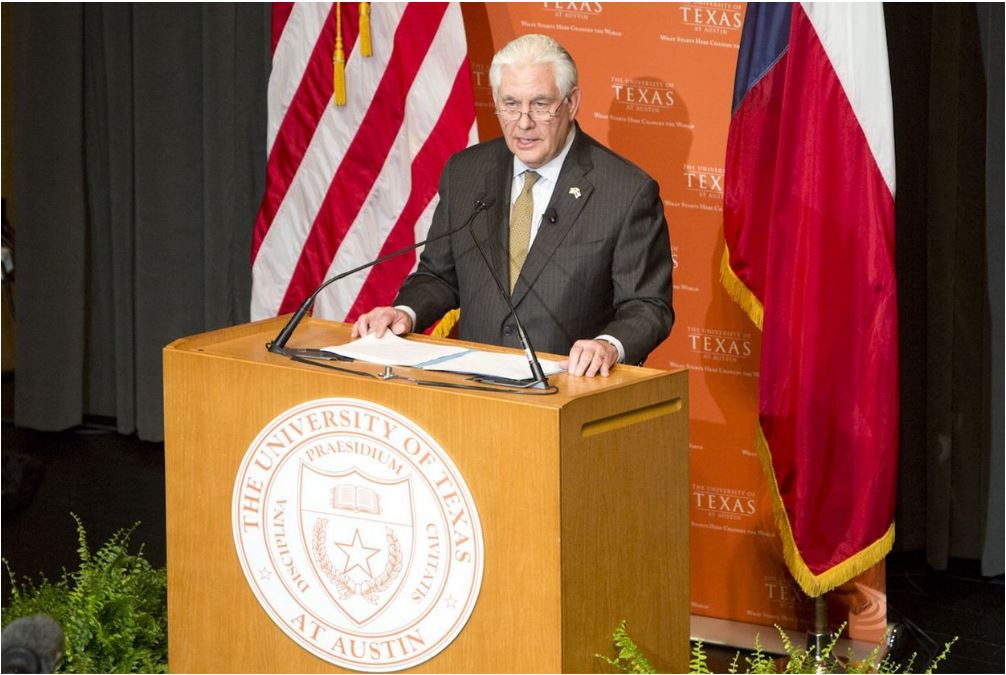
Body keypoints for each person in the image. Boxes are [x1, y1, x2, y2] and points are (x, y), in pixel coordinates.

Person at [352, 34, 673, 377]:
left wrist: (608, 344)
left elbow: (648, 305)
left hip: (567, 391)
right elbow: (439, 276)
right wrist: (406, 312)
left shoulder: (624, 191)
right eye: (510, 104)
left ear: (571, 103)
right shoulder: (466, 172)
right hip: (472, 390)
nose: (523, 122)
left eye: (540, 104)